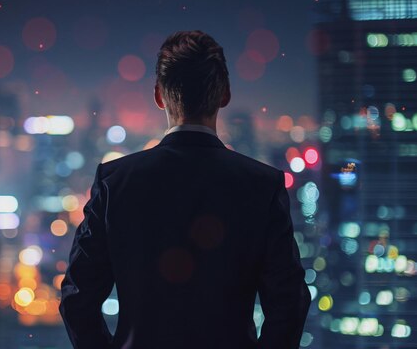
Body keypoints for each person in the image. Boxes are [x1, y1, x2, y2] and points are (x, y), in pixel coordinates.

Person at [59, 30, 311, 349]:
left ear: (159, 96)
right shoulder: (262, 185)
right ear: (225, 95)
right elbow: (290, 304)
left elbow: (77, 299)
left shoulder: (115, 182)